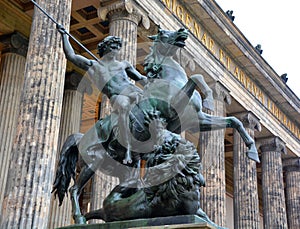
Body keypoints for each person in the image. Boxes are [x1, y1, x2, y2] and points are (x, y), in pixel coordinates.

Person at [57, 25, 148, 164]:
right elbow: (71, 56)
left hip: (132, 90)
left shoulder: (124, 65)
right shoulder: (95, 66)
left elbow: (140, 78)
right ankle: (127, 147)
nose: (115, 50)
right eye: (112, 47)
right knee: (123, 107)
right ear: (105, 48)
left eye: (117, 48)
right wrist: (65, 36)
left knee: (154, 105)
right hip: (117, 96)